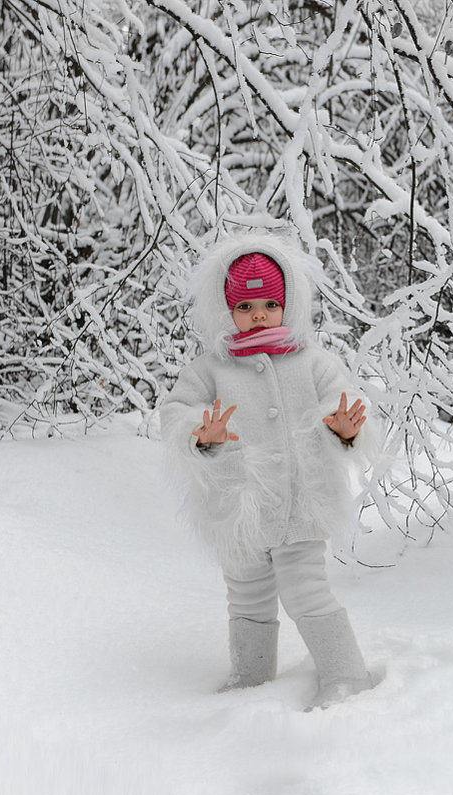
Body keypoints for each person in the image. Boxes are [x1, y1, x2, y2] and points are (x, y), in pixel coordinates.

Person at [160, 231, 374, 709]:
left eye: (270, 304)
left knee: (307, 593)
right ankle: (250, 680)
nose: (258, 314)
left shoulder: (312, 361)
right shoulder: (210, 369)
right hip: (238, 507)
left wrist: (342, 428)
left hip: (301, 503)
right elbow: (176, 413)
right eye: (245, 306)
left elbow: (344, 405)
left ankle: (346, 676)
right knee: (248, 599)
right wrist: (200, 434)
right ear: (226, 310)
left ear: (289, 304)